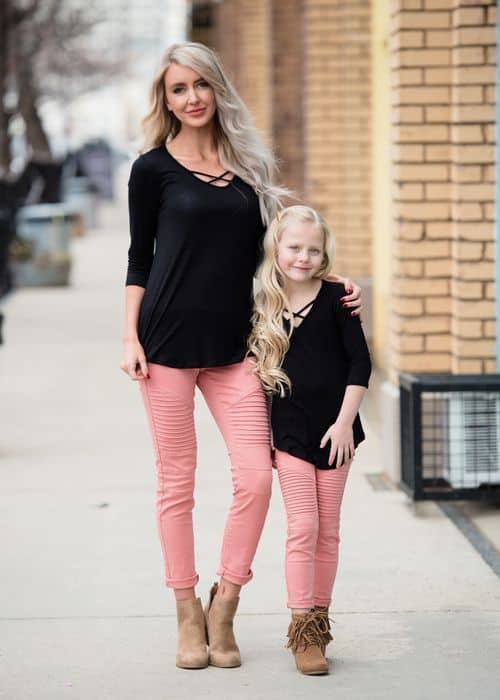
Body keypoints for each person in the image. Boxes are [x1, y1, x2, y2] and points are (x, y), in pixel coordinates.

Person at [121, 42, 363, 670]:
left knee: (256, 479)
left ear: (217, 89)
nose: (192, 97)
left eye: (201, 84)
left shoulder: (249, 169)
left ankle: (225, 601)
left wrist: (339, 288)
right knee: (177, 484)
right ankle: (186, 612)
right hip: (166, 347)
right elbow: (139, 258)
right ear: (165, 99)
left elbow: (290, 251)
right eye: (178, 89)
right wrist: (130, 337)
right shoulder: (151, 170)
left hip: (238, 353)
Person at [248, 205, 371, 675]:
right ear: (276, 249)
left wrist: (344, 423)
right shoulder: (261, 304)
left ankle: (319, 624)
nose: (303, 257)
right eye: (294, 247)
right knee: (304, 528)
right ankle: (302, 630)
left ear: (325, 253)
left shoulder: (340, 298)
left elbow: (360, 364)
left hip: (336, 431)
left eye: (313, 249)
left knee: (330, 530)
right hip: (291, 434)